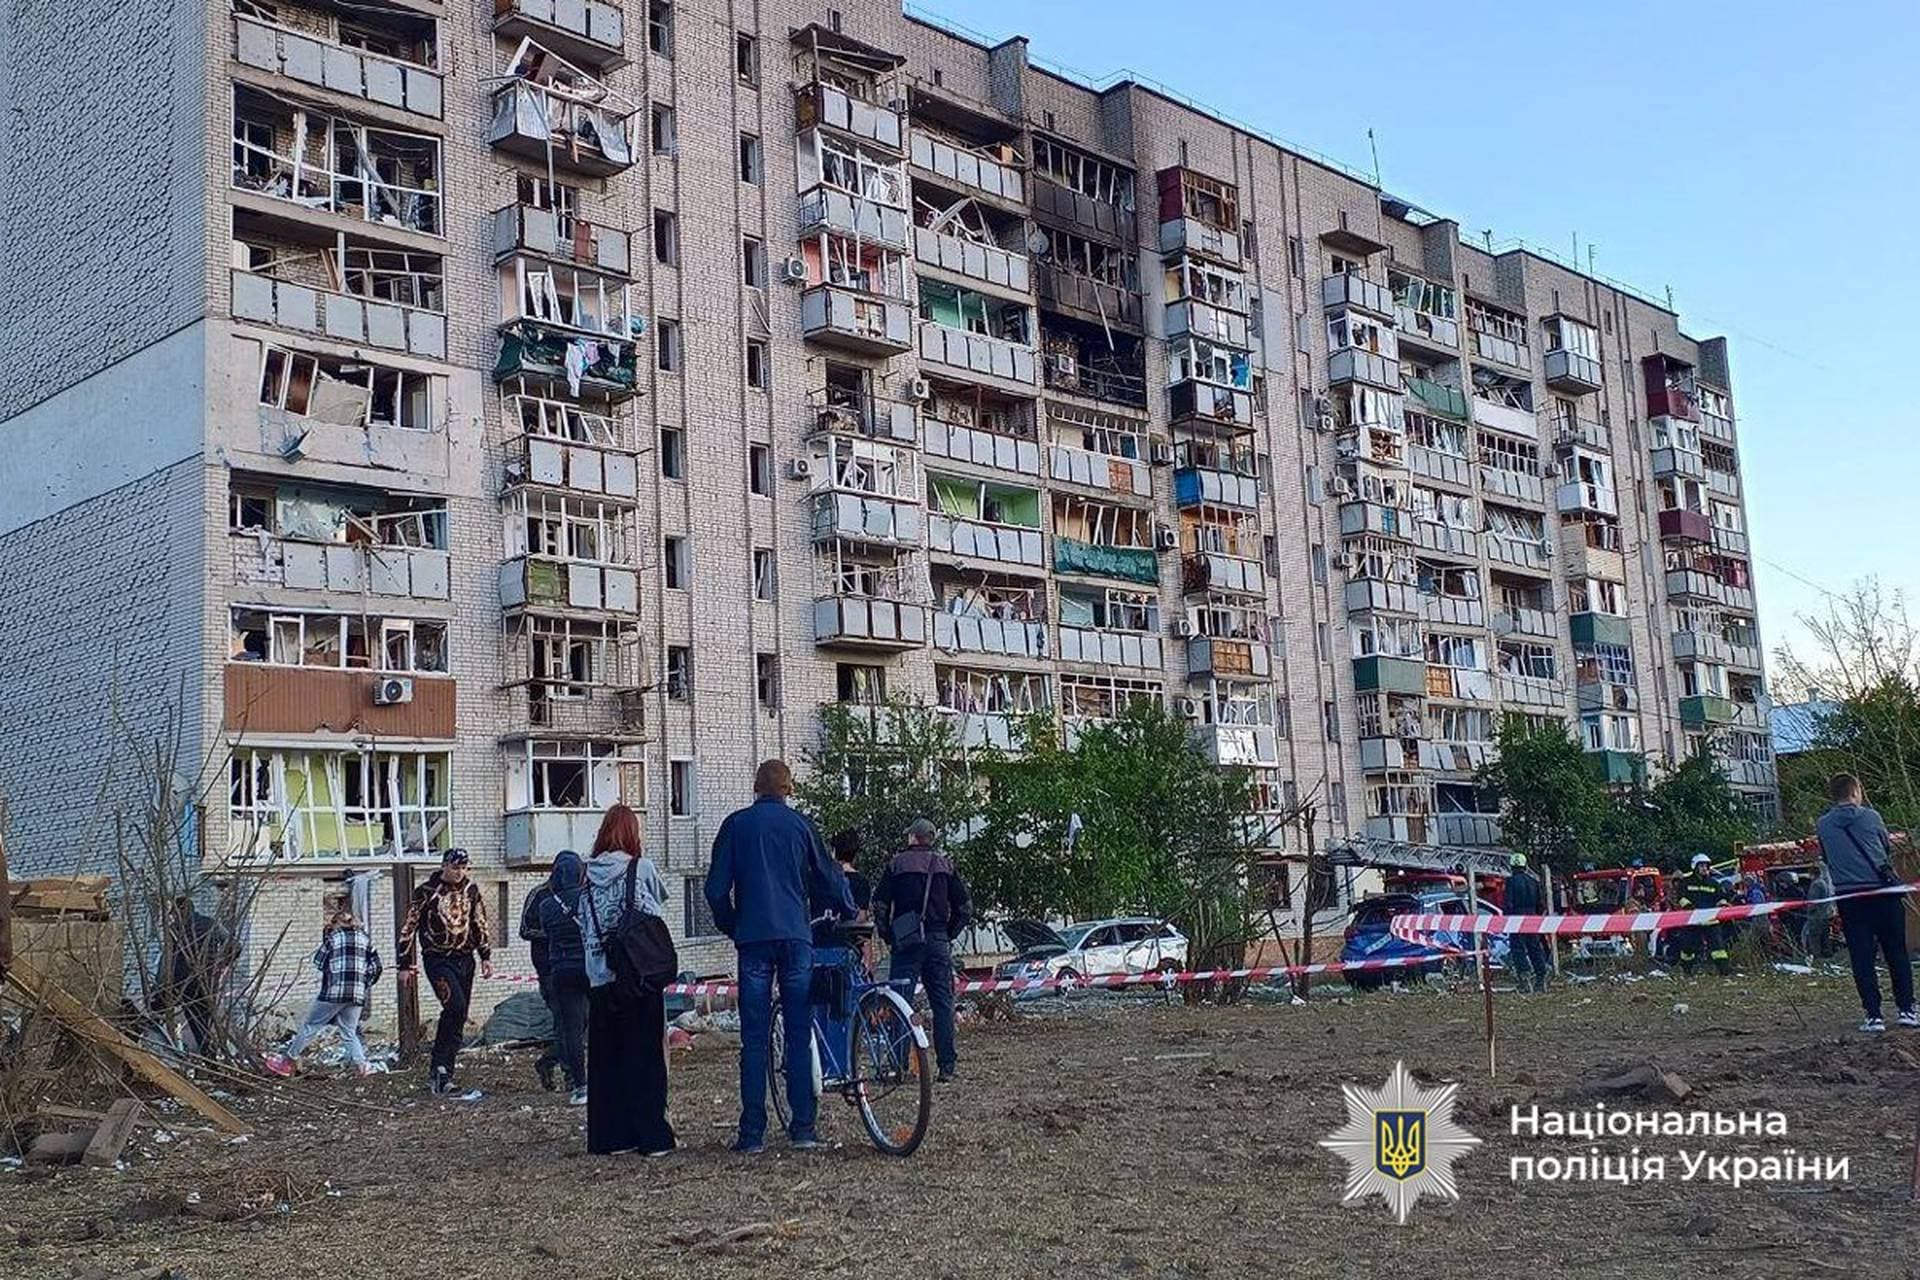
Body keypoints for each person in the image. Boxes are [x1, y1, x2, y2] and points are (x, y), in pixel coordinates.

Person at [705, 759, 854, 1154]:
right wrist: (847, 911)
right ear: (789, 790)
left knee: (754, 1039)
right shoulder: (802, 826)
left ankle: (751, 1133)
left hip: (752, 939)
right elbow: (828, 879)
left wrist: (733, 925)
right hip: (795, 937)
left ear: (756, 788)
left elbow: (715, 890)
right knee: (799, 1033)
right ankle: (803, 1127)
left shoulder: (735, 826)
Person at [578, 804, 676, 1155]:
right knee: (645, 1056)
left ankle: (610, 1136)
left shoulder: (585, 875)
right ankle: (651, 1136)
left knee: (606, 1060)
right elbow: (656, 907)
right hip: (637, 974)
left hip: (600, 976)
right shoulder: (641, 867)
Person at [873, 818, 972, 1082]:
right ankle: (947, 1067)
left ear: (914, 838)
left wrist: (887, 934)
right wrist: (948, 933)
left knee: (900, 1004)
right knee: (942, 1004)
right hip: (938, 940)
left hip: (906, 943)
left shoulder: (897, 865)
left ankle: (899, 1066)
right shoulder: (946, 866)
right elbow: (964, 908)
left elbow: (880, 904)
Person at [1816, 773, 1914, 1033]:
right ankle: (1906, 1010)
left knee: (1861, 956)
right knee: (1896, 952)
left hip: (1851, 898)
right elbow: (1884, 848)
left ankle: (1873, 1015)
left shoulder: (1823, 825)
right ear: (1856, 791)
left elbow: (1826, 856)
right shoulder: (1872, 817)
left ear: (1832, 795)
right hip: (1883, 893)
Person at [397, 849, 493, 1097]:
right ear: (444, 866)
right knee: (455, 1007)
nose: (459, 871)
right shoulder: (426, 892)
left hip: (465, 958)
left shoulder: (471, 890)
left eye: (463, 867)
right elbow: (409, 926)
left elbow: (479, 921)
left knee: (458, 1016)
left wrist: (485, 956)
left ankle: (444, 1072)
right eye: (455, 867)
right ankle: (439, 1068)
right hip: (438, 959)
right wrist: (405, 963)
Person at [264, 908, 382, 1077]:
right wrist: (362, 983)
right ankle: (363, 1067)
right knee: (349, 1031)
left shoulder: (333, 938)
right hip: (357, 995)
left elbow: (319, 961)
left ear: (337, 924)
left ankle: (287, 1062)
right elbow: (377, 967)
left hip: (333, 993)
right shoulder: (366, 940)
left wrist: (335, 972)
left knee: (310, 1026)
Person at [520, 850, 588, 1099]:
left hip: (573, 967)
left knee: (580, 1023)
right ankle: (573, 1076)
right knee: (566, 1022)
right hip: (550, 969)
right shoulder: (540, 896)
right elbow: (526, 929)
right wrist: (556, 932)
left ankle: (550, 1060)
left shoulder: (582, 896)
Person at [161, 895, 238, 1058]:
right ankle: (215, 1053)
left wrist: (161, 984)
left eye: (174, 913)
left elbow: (166, 960)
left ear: (180, 912)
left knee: (195, 1019)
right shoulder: (211, 924)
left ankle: (208, 1055)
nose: (173, 916)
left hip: (184, 982)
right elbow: (235, 945)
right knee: (206, 1017)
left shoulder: (174, 930)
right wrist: (222, 962)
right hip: (209, 979)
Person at [1673, 854, 1733, 977]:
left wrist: (1722, 905)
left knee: (1718, 949)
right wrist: (1689, 907)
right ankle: (1687, 970)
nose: (1704, 868)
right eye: (1701, 866)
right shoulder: (1686, 882)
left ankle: (1724, 971)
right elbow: (1681, 897)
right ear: (1695, 867)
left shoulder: (1714, 883)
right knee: (1688, 948)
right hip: (1692, 921)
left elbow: (1721, 897)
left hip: (1711, 922)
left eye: (1706, 866)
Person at [1502, 854, 1549, 994]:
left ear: (1512, 866)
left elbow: (1508, 903)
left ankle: (1524, 978)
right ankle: (1541, 978)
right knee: (1535, 948)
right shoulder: (1533, 882)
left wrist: (1507, 918)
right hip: (1532, 919)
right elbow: (1541, 904)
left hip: (1516, 920)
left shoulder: (1510, 882)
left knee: (1518, 950)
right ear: (1525, 865)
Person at [1802, 863, 1837, 960]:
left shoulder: (1816, 884)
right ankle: (1827, 953)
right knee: (1825, 936)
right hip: (1825, 914)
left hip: (1816, 916)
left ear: (1812, 874)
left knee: (1814, 936)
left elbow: (1813, 901)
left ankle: (1817, 955)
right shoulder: (1824, 883)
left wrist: (1808, 911)